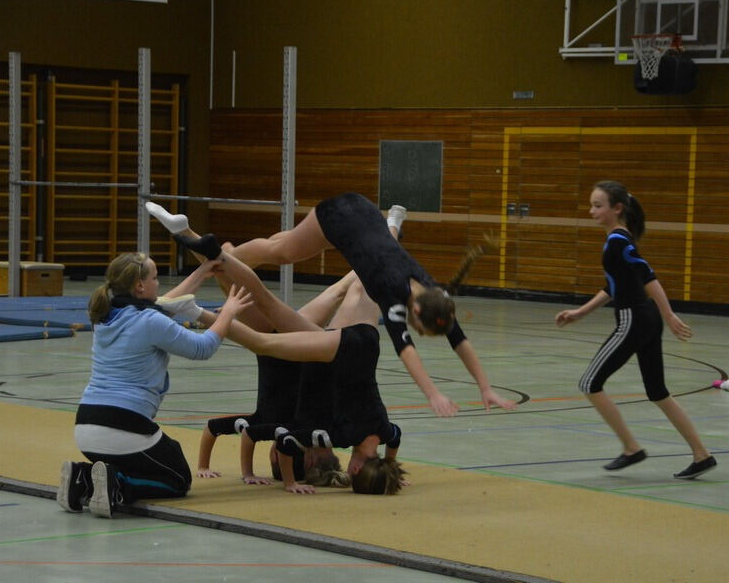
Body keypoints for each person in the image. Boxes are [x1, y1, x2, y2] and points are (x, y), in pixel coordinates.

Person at [146, 194, 515, 417]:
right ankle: (215, 253)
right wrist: (433, 394)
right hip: (338, 218)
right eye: (420, 328)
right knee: (282, 252)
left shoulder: (434, 294)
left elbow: (459, 340)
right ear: (416, 314)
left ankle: (215, 252)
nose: (416, 330)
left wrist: (485, 387)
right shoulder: (393, 295)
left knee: (285, 243)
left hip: (363, 213)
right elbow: (407, 351)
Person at [189, 240, 407, 494]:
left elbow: (395, 437)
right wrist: (288, 482)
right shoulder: (336, 435)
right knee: (261, 321)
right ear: (356, 469)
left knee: (359, 285)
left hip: (364, 344)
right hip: (325, 350)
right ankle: (198, 305)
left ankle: (387, 234)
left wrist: (390, 470)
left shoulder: (379, 431)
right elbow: (284, 441)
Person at [56, 252, 251, 518]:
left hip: (86, 424)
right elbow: (202, 348)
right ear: (139, 286)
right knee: (177, 478)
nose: (159, 284)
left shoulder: (106, 314)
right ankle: (118, 486)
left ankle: (83, 477)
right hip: (123, 426)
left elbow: (166, 302)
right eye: (156, 278)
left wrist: (203, 272)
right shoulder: (150, 321)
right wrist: (227, 313)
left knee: (150, 461)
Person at [554, 180, 717, 480]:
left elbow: (646, 275)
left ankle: (631, 447)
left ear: (617, 209)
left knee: (590, 383)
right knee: (658, 392)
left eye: (598, 206)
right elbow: (614, 285)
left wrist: (669, 314)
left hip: (635, 318)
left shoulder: (618, 240)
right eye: (591, 205)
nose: (591, 211)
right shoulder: (619, 238)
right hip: (645, 318)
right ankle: (701, 454)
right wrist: (580, 312)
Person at [196, 272, 358, 485]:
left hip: (300, 340)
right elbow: (215, 429)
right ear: (275, 457)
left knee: (337, 292)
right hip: (273, 340)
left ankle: (373, 254)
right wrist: (219, 469)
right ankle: (211, 269)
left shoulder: (301, 426)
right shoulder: (273, 425)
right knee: (234, 288)